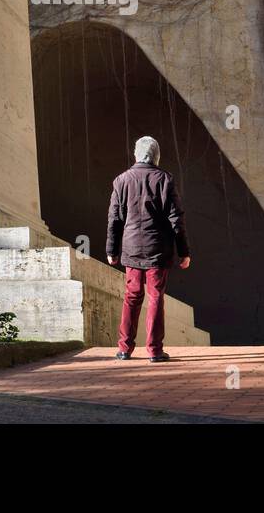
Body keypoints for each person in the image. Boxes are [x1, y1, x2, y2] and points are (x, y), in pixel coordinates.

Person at [106, 136, 190, 362]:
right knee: (155, 297)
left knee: (132, 297)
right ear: (156, 156)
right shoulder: (165, 180)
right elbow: (176, 219)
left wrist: (111, 250)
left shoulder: (121, 180)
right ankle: (154, 350)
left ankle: (124, 349)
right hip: (158, 250)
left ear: (136, 155)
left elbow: (114, 219)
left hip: (131, 249)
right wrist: (184, 251)